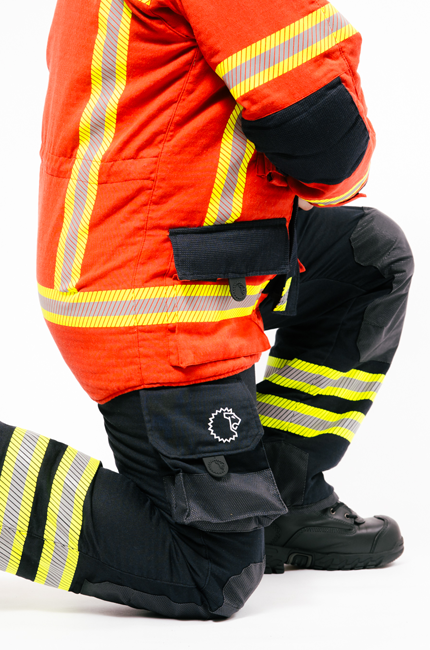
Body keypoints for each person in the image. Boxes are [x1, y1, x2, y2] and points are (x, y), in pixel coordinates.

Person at [0, 0, 413, 618]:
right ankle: (238, 520)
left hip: (167, 248)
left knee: (364, 259)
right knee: (211, 571)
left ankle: (282, 501)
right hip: (154, 293)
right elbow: (327, 145)